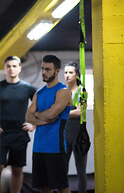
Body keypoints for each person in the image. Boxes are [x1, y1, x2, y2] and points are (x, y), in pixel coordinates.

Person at [0, 56, 36, 193]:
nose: (11, 69)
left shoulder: (28, 88)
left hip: (20, 134)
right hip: (0, 135)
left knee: (17, 170)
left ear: (19, 68)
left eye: (14, 66)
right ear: (5, 68)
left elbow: (41, 107)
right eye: (8, 66)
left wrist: (34, 125)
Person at [26, 55, 72, 193]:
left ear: (57, 71)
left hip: (55, 148)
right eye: (42, 69)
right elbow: (28, 116)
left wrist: (37, 115)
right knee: (43, 187)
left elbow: (52, 114)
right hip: (39, 148)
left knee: (62, 186)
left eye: (47, 69)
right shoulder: (39, 93)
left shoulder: (63, 91)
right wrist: (42, 117)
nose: (43, 72)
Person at [64, 61, 88, 193]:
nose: (67, 75)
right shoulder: (61, 91)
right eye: (66, 72)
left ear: (77, 75)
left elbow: (80, 112)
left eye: (71, 73)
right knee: (62, 170)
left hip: (79, 136)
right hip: (64, 135)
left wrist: (62, 114)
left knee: (81, 171)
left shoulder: (82, 91)